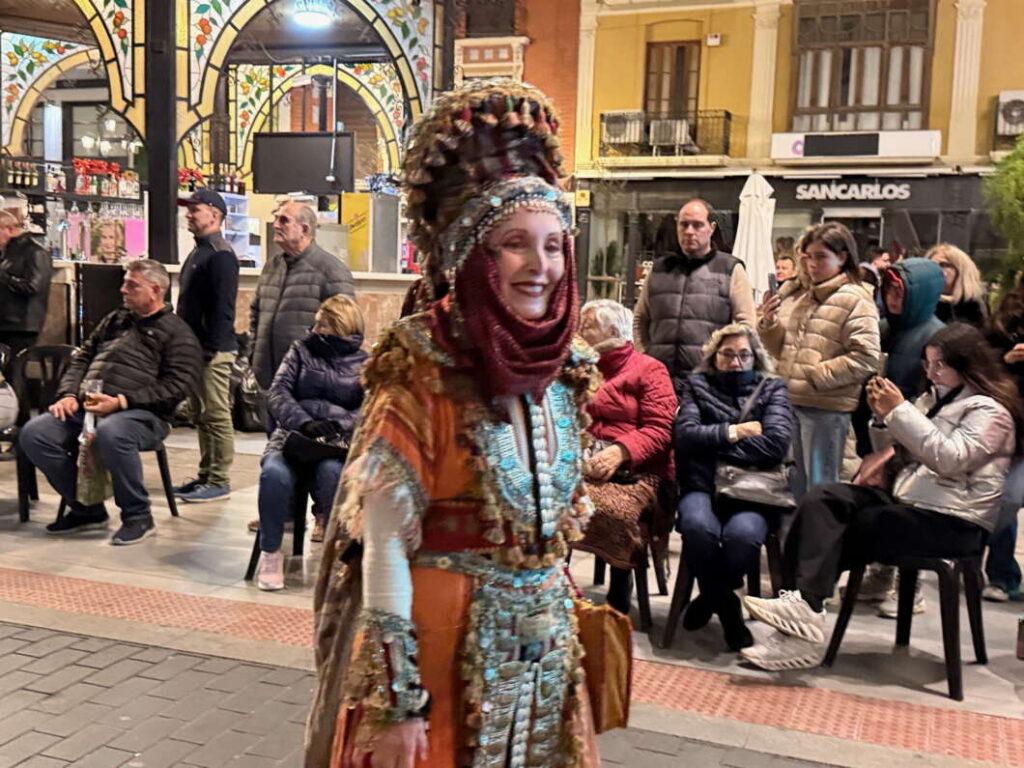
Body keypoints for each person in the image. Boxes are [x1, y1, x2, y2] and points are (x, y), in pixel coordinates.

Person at [305, 81, 601, 768]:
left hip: (544, 657)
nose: (541, 266)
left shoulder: (568, 370)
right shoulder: (421, 367)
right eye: (515, 245)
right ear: (473, 256)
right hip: (439, 657)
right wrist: (398, 701)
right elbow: (384, 545)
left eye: (554, 246)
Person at [740, 323, 1019, 670]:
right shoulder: (933, 399)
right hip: (912, 501)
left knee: (858, 525)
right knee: (824, 499)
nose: (931, 373)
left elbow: (949, 459)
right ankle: (801, 611)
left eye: (941, 365)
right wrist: (883, 420)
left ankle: (803, 614)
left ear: (967, 365)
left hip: (955, 519)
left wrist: (899, 412)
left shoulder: (990, 412)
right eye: (928, 363)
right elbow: (896, 452)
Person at [18, 260, 202, 545]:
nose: (123, 290)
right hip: (88, 408)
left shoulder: (178, 334)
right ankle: (86, 507)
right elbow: (82, 357)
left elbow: (178, 386)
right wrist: (68, 394)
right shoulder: (116, 319)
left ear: (155, 290)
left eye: (132, 285)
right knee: (35, 434)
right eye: (125, 283)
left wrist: (121, 401)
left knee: (112, 432)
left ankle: (138, 515)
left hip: (143, 415)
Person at [675, 324, 794, 650]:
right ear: (714, 356)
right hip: (702, 485)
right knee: (697, 528)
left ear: (755, 357)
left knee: (742, 536)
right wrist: (736, 432)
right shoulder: (696, 385)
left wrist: (713, 443)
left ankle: (709, 597)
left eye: (744, 355)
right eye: (727, 354)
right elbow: (685, 436)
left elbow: (776, 445)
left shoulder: (772, 388)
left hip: (753, 490)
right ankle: (728, 607)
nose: (735, 362)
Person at [254, 295, 367, 590]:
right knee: (273, 474)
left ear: (341, 327)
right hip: (292, 437)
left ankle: (336, 556)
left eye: (323, 325)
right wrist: (303, 421)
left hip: (334, 444)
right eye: (316, 323)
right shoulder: (300, 351)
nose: (315, 330)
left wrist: (340, 424)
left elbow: (368, 408)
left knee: (332, 475)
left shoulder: (365, 363)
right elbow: (277, 392)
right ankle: (270, 552)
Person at [571, 299, 675, 617]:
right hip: (583, 460)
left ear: (614, 331)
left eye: (588, 325)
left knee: (614, 511)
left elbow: (660, 429)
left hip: (638, 469)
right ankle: (554, 585)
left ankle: (619, 594)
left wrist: (621, 451)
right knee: (549, 502)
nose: (579, 330)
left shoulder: (649, 369)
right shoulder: (578, 367)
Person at [757, 222, 880, 492]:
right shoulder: (803, 296)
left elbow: (866, 357)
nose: (812, 264)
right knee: (797, 485)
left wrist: (815, 375)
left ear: (843, 257)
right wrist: (769, 323)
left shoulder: (855, 298)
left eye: (821, 256)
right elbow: (783, 350)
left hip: (825, 407)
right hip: (793, 402)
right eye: (808, 257)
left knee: (820, 488)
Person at [857, 257, 945, 615]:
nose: (893, 298)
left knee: (911, 508)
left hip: (916, 434)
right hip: (878, 428)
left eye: (901, 291)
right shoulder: (883, 328)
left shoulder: (935, 336)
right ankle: (880, 574)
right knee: (879, 503)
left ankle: (911, 588)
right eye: (889, 290)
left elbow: (938, 392)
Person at [633, 198, 757, 394]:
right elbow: (640, 318)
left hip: (708, 382)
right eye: (684, 225)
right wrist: (645, 356)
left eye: (698, 225)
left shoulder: (730, 269)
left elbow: (746, 325)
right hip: (658, 379)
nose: (690, 231)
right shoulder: (659, 269)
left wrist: (725, 365)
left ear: (711, 228)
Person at [172, 189, 240, 503]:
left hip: (213, 350)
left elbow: (224, 309)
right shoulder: (200, 251)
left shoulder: (220, 254)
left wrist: (210, 350)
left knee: (215, 414)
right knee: (201, 415)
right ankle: (205, 474)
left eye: (194, 209)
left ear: (214, 214)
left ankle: (219, 479)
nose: (188, 214)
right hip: (196, 349)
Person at [250, 201, 356, 393]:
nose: (275, 225)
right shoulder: (272, 266)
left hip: (306, 381)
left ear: (304, 229)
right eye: (275, 218)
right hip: (266, 378)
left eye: (284, 220)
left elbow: (344, 330)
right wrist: (252, 355)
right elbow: (256, 314)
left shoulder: (332, 270)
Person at [983, 284, 1024, 601]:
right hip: (1011, 426)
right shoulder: (1006, 319)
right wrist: (1006, 359)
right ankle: (1000, 574)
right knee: (1006, 497)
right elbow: (979, 367)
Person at [0, 210, 52, 368]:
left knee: (14, 371)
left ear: (9, 229)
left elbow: (33, 286)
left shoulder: (36, 252)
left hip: (21, 326)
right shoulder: (7, 252)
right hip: (5, 323)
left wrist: (3, 277)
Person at [926, 243, 988, 327]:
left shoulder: (974, 307)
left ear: (961, 270)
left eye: (944, 265)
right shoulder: (922, 304)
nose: (936, 270)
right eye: (931, 265)